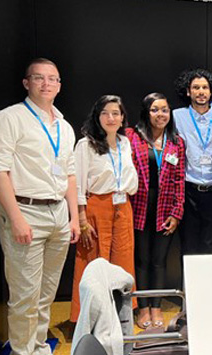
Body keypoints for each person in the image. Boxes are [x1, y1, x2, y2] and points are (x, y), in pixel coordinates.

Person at [0, 58, 80, 355]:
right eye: (39, 78)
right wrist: (16, 218)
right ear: (27, 83)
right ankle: (22, 351)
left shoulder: (63, 126)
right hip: (25, 211)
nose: (46, 83)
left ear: (60, 85)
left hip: (58, 214)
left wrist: (74, 217)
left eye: (53, 79)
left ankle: (37, 346)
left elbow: (69, 174)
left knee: (46, 292)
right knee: (25, 294)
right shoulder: (9, 118)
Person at [71, 95, 139, 323]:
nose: (111, 118)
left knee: (123, 262)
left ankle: (121, 319)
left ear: (122, 118)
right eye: (105, 113)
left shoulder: (125, 142)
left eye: (116, 113)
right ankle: (87, 320)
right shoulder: (86, 144)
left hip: (123, 208)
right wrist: (81, 219)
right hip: (95, 209)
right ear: (97, 116)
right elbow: (78, 184)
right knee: (92, 264)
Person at [126, 93, 185, 329]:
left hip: (165, 209)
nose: (160, 114)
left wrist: (177, 212)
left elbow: (180, 179)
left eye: (164, 110)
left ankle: (156, 306)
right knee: (141, 260)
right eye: (155, 110)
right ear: (146, 112)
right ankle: (143, 308)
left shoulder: (176, 142)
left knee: (159, 261)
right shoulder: (131, 137)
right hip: (138, 207)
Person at [173, 69, 212, 254]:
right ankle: (187, 283)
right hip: (188, 190)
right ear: (188, 91)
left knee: (211, 245)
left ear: (211, 91)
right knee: (188, 245)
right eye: (196, 87)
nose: (201, 92)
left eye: (205, 88)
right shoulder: (176, 117)